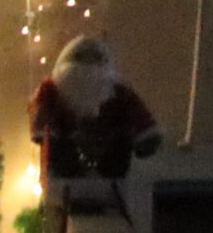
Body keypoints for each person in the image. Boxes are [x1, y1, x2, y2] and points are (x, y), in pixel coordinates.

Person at [29, 36, 161, 221]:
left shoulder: (120, 94)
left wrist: (145, 138)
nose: (87, 68)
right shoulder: (51, 91)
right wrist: (47, 135)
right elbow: (41, 119)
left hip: (110, 164)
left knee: (116, 152)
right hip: (66, 166)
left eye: (93, 59)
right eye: (82, 59)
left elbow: (140, 119)